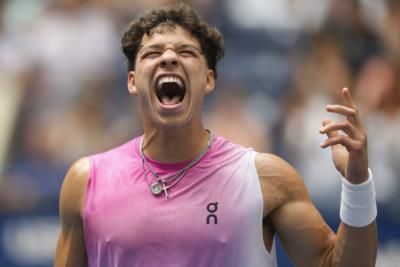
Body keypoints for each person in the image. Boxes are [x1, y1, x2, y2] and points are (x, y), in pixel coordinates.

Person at [54, 4, 377, 267]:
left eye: (186, 52)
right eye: (152, 53)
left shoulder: (265, 179)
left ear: (209, 80)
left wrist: (358, 181)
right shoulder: (85, 181)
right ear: (132, 81)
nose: (169, 57)